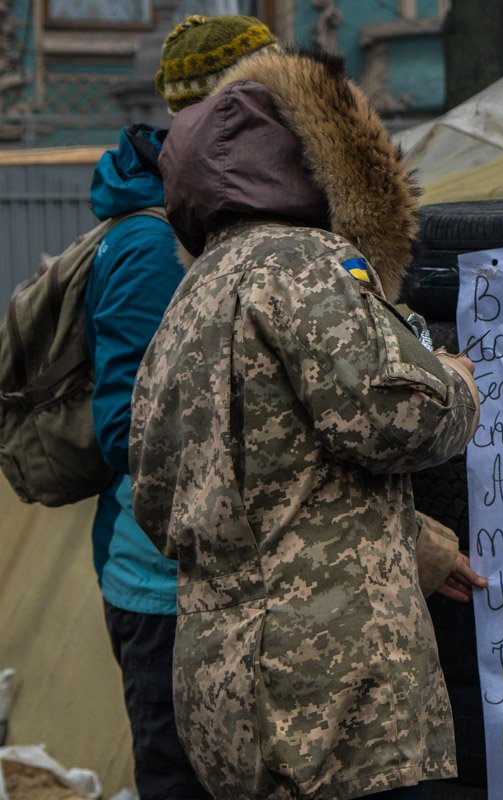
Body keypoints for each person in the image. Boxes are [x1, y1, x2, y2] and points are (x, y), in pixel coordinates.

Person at [128, 34, 481, 800]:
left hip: (225, 695)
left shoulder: (190, 296)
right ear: (324, 160)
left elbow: (166, 497)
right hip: (334, 696)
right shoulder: (305, 263)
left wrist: (414, 546)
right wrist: (455, 381)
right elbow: (396, 418)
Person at [83, 14, 281, 798]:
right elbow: (128, 431)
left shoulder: (220, 224)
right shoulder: (150, 245)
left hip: (222, 585)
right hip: (167, 595)